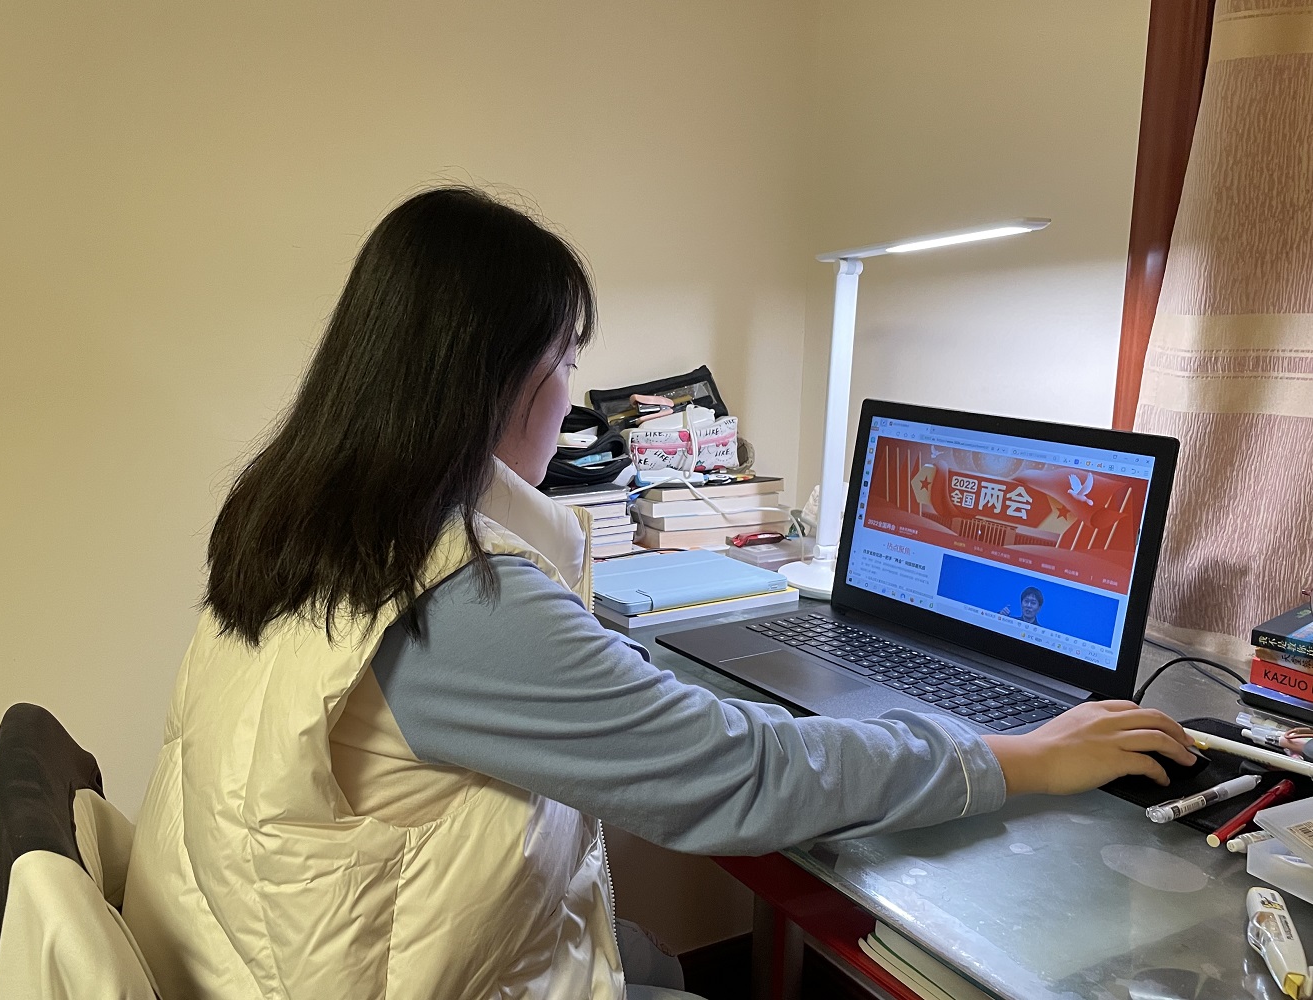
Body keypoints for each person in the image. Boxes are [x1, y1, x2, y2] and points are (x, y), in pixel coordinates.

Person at [121, 187, 1198, 1000]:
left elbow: (566, 699)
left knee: (650, 955)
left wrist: (613, 681)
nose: (571, 398)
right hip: (348, 970)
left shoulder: (301, 517)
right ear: (493, 382)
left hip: (257, 950)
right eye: (564, 362)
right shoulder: (457, 595)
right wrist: (1018, 757)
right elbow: (737, 776)